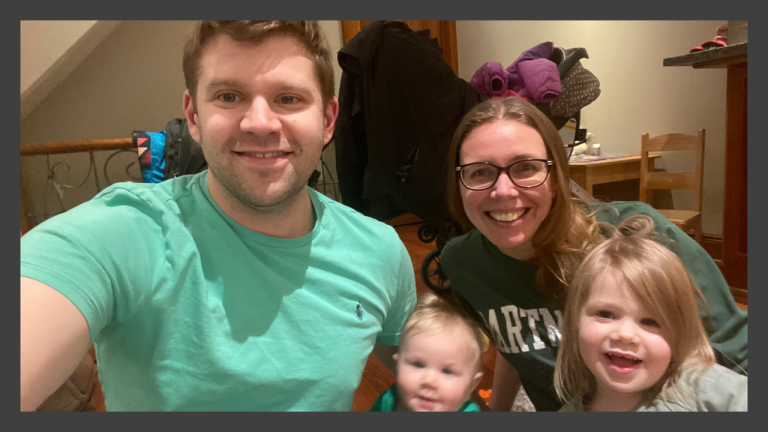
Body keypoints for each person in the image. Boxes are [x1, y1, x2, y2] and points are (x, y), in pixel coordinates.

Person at [20, 20, 416, 411]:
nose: (260, 123)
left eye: (288, 99)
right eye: (229, 96)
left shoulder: (380, 250)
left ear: (328, 120)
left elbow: (425, 370)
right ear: (193, 116)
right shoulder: (125, 231)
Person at [439, 96, 747, 412]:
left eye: (526, 167)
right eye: (479, 172)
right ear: (458, 184)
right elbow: (514, 345)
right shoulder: (462, 264)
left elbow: (738, 351)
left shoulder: (639, 235)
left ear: (557, 177)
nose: (503, 191)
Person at [554, 215, 747, 411]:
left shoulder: (699, 387)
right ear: (576, 320)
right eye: (606, 314)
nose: (625, 334)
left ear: (680, 334)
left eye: (650, 322)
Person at [369, 292, 484, 412]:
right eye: (418, 364)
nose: (429, 381)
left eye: (447, 371)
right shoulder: (388, 403)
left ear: (471, 384)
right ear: (397, 366)